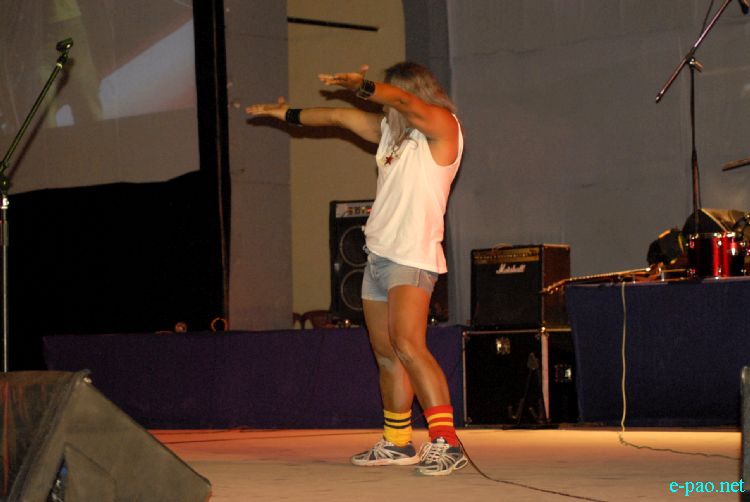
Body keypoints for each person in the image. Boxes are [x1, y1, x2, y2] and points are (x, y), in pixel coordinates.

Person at [246, 62, 467, 476]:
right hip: (378, 257)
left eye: (388, 96)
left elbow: (403, 102)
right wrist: (286, 114)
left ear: (409, 92)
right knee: (387, 354)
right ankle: (398, 442)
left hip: (412, 257)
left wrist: (364, 86)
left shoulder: (442, 128)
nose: (384, 107)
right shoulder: (390, 135)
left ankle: (446, 442)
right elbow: (334, 116)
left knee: (409, 345)